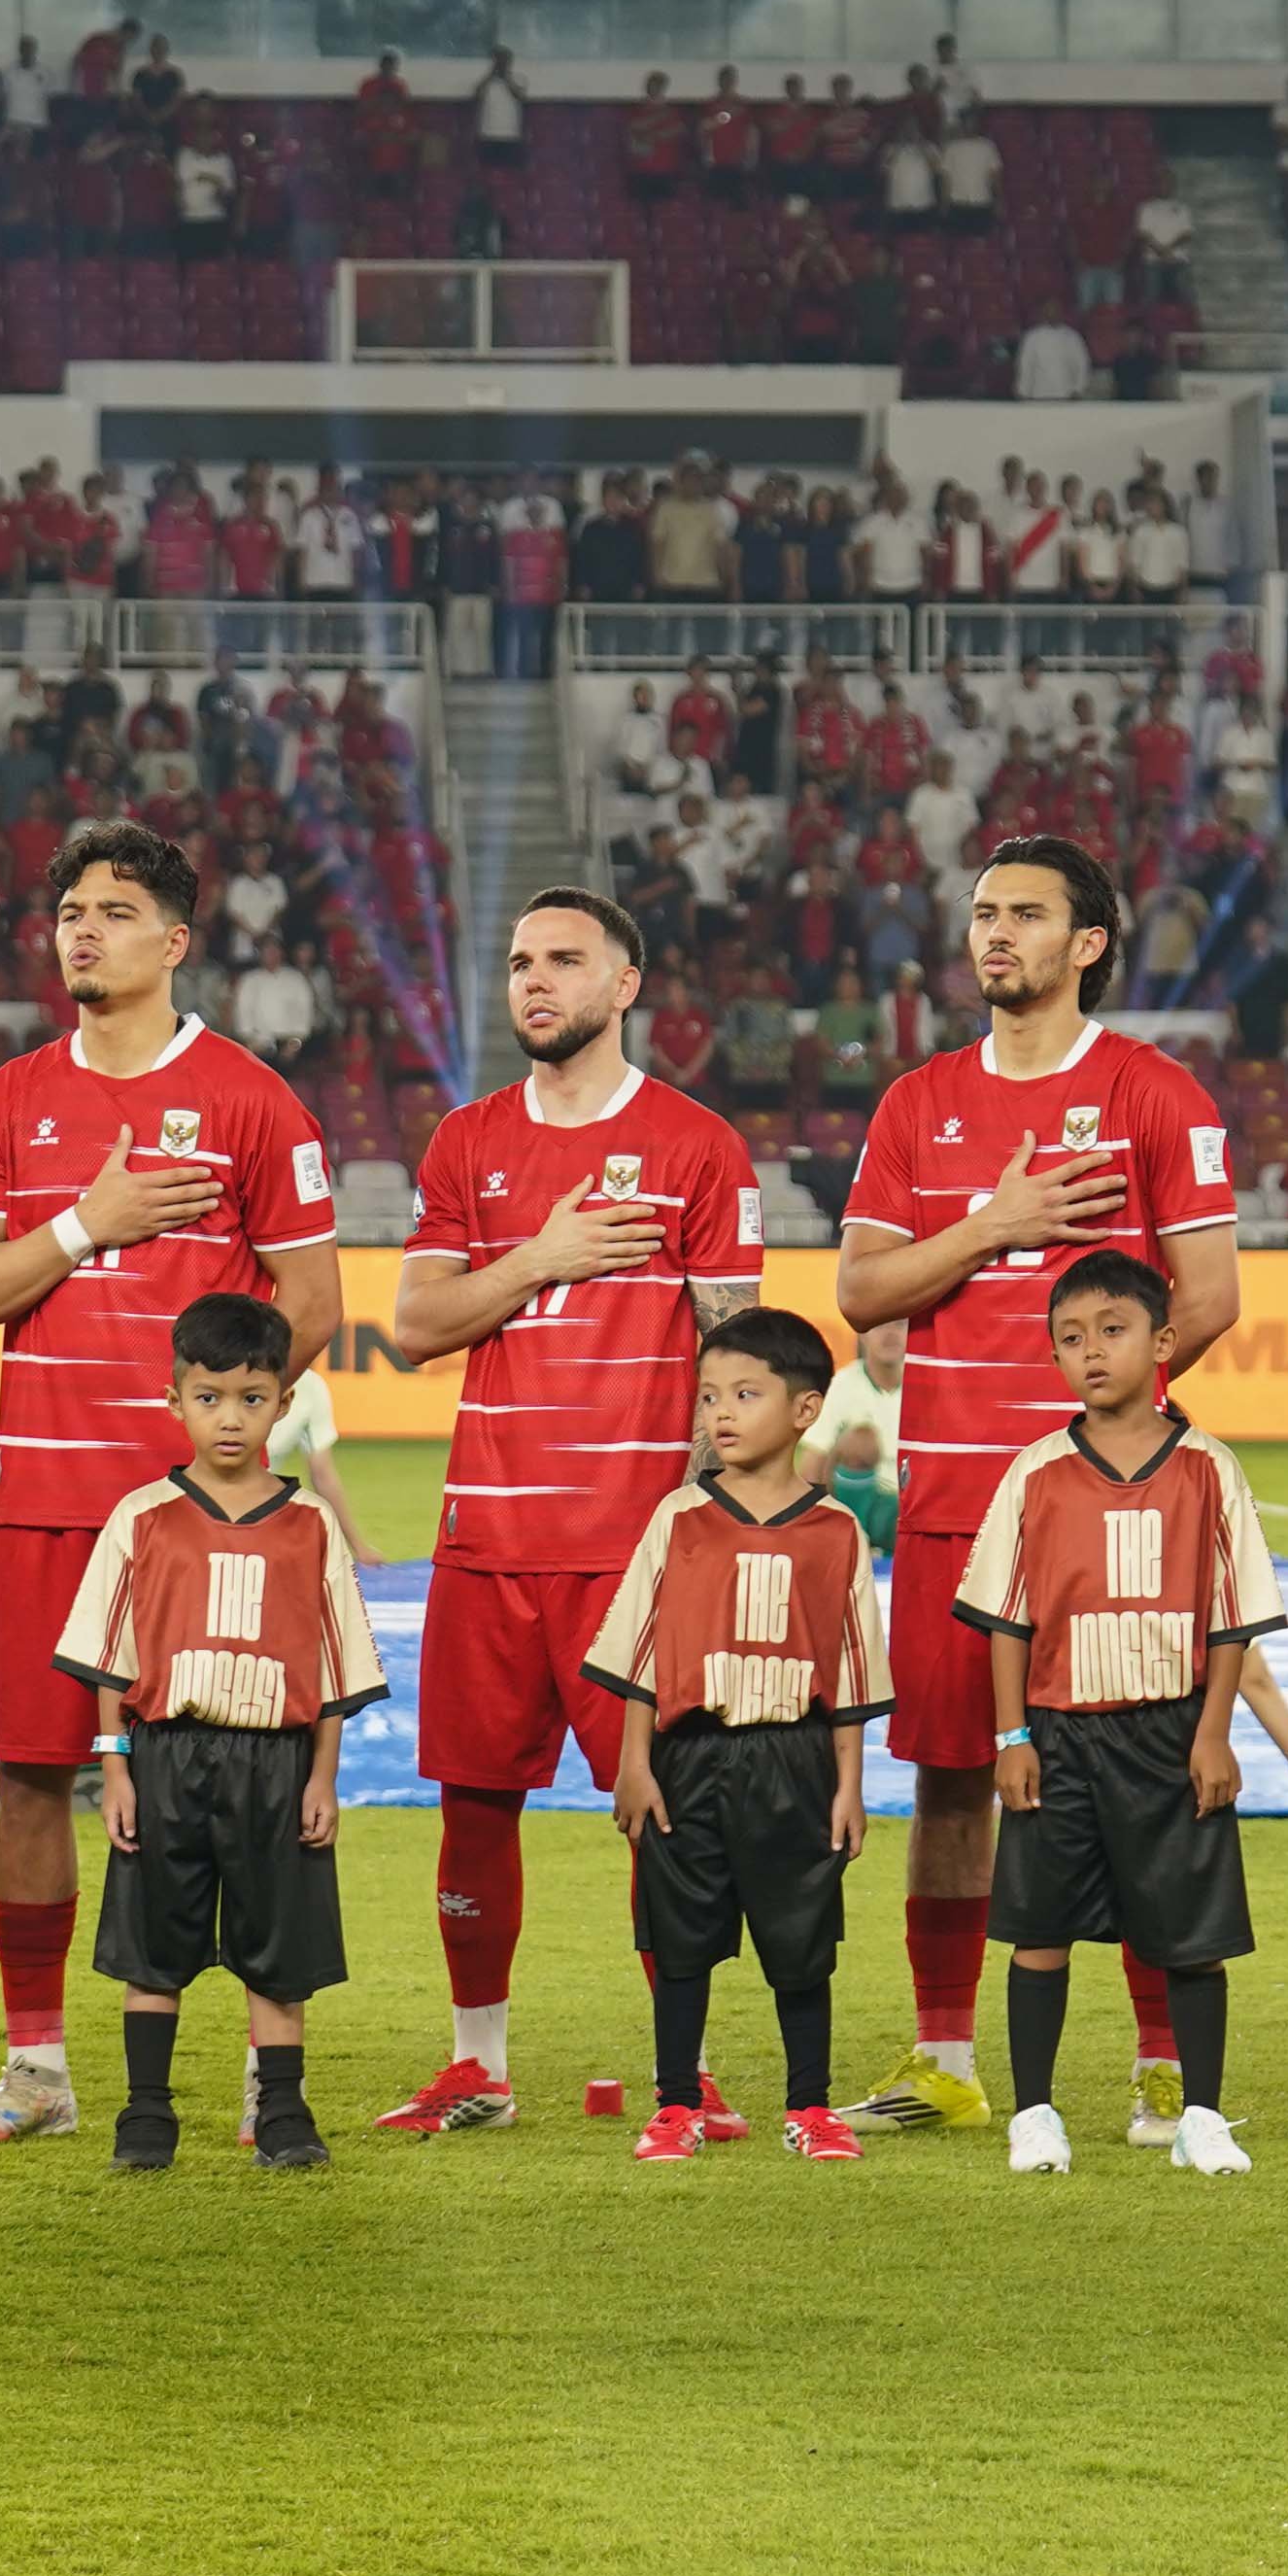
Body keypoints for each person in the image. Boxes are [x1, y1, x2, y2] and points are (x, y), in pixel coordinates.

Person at [0, 826, 342, 2145]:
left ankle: (259, 2071)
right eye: (66, 910)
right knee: (29, 1773)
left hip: (192, 1518)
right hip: (44, 1496)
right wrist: (79, 1225)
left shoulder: (252, 1102)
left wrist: (216, 1440)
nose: (79, 929)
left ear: (173, 941)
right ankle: (37, 2068)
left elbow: (313, 1307)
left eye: (111, 910)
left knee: (239, 1780)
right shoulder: (7, 1101)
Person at [834, 841, 1240, 2127]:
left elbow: (1212, 1296)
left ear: (1087, 943)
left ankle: (1162, 2064)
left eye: (1023, 915)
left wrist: (1111, 1423)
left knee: (1137, 1770)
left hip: (1115, 1507)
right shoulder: (915, 1105)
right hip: (956, 1501)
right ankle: (944, 2062)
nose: (991, 934)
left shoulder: (1153, 1094)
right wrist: (991, 1227)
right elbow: (860, 1292)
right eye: (980, 914)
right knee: (953, 1777)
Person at [379, 886, 759, 2138]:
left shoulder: (698, 1146)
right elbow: (415, 1324)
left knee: (664, 1809)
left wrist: (719, 1519)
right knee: (473, 1803)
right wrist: (539, 1256)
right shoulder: (465, 1142)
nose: (533, 980)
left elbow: (732, 1353)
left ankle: (680, 2071)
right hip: (486, 1539)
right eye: (516, 960)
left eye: (562, 960)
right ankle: (474, 2064)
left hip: (632, 1550)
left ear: (625, 984)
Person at [960, 1247, 1285, 2182]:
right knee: (1039, 1930)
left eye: (1113, 1330)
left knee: (1191, 1934)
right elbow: (1007, 1616)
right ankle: (1035, 2114)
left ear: (1163, 1340)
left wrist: (1214, 1731)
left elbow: (1230, 1615)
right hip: (1059, 1736)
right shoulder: (1034, 1473)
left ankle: (1204, 2116)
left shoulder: (1208, 1469)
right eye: (1070, 1338)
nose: (1092, 1352)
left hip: (1171, 1732)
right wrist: (1012, 1736)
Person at [58, 1288, 382, 2175]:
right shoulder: (141, 1518)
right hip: (165, 1756)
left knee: (280, 1949)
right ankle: (145, 2117)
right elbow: (110, 1659)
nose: (229, 1419)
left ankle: (281, 2115)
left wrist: (323, 1779)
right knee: (153, 1948)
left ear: (283, 1403)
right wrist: (115, 1767)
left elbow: (329, 1670)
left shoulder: (311, 1525)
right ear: (175, 1401)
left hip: (277, 1763)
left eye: (250, 1398)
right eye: (208, 1397)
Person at [586, 1307, 885, 2169]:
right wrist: (633, 1766)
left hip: (793, 1759)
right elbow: (639, 1654)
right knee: (678, 1942)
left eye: (745, 1394)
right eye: (709, 1394)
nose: (720, 1412)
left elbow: (851, 1672)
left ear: (803, 1411)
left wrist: (847, 1785)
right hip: (687, 1760)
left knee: (801, 1942)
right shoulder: (678, 1517)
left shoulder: (835, 1532)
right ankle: (676, 2103)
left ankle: (811, 2107)